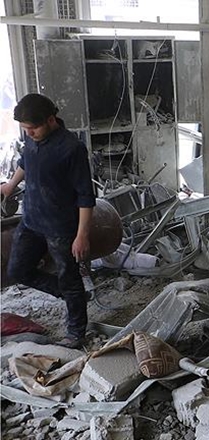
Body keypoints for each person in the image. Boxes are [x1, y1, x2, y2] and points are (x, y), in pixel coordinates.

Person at [1, 94, 96, 348]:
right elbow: (25, 162)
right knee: (18, 271)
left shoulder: (71, 148)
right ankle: (72, 297)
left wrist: (82, 235)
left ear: (51, 120)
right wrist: (10, 185)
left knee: (70, 277)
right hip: (31, 220)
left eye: (32, 128)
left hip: (61, 228)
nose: (28, 133)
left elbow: (86, 196)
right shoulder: (33, 138)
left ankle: (76, 333)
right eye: (25, 129)